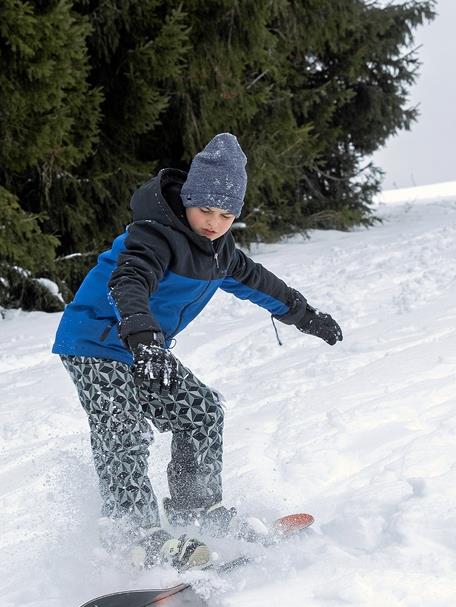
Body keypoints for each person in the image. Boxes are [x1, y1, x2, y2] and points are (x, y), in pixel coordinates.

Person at [52, 133, 342, 570]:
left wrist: (306, 316)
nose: (213, 222)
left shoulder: (220, 254)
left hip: (145, 348)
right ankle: (134, 533)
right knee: (123, 426)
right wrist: (144, 338)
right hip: (94, 343)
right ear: (188, 199)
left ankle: (197, 512)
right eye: (205, 209)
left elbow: (261, 284)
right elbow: (128, 283)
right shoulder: (152, 237)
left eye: (226, 215)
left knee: (201, 411)